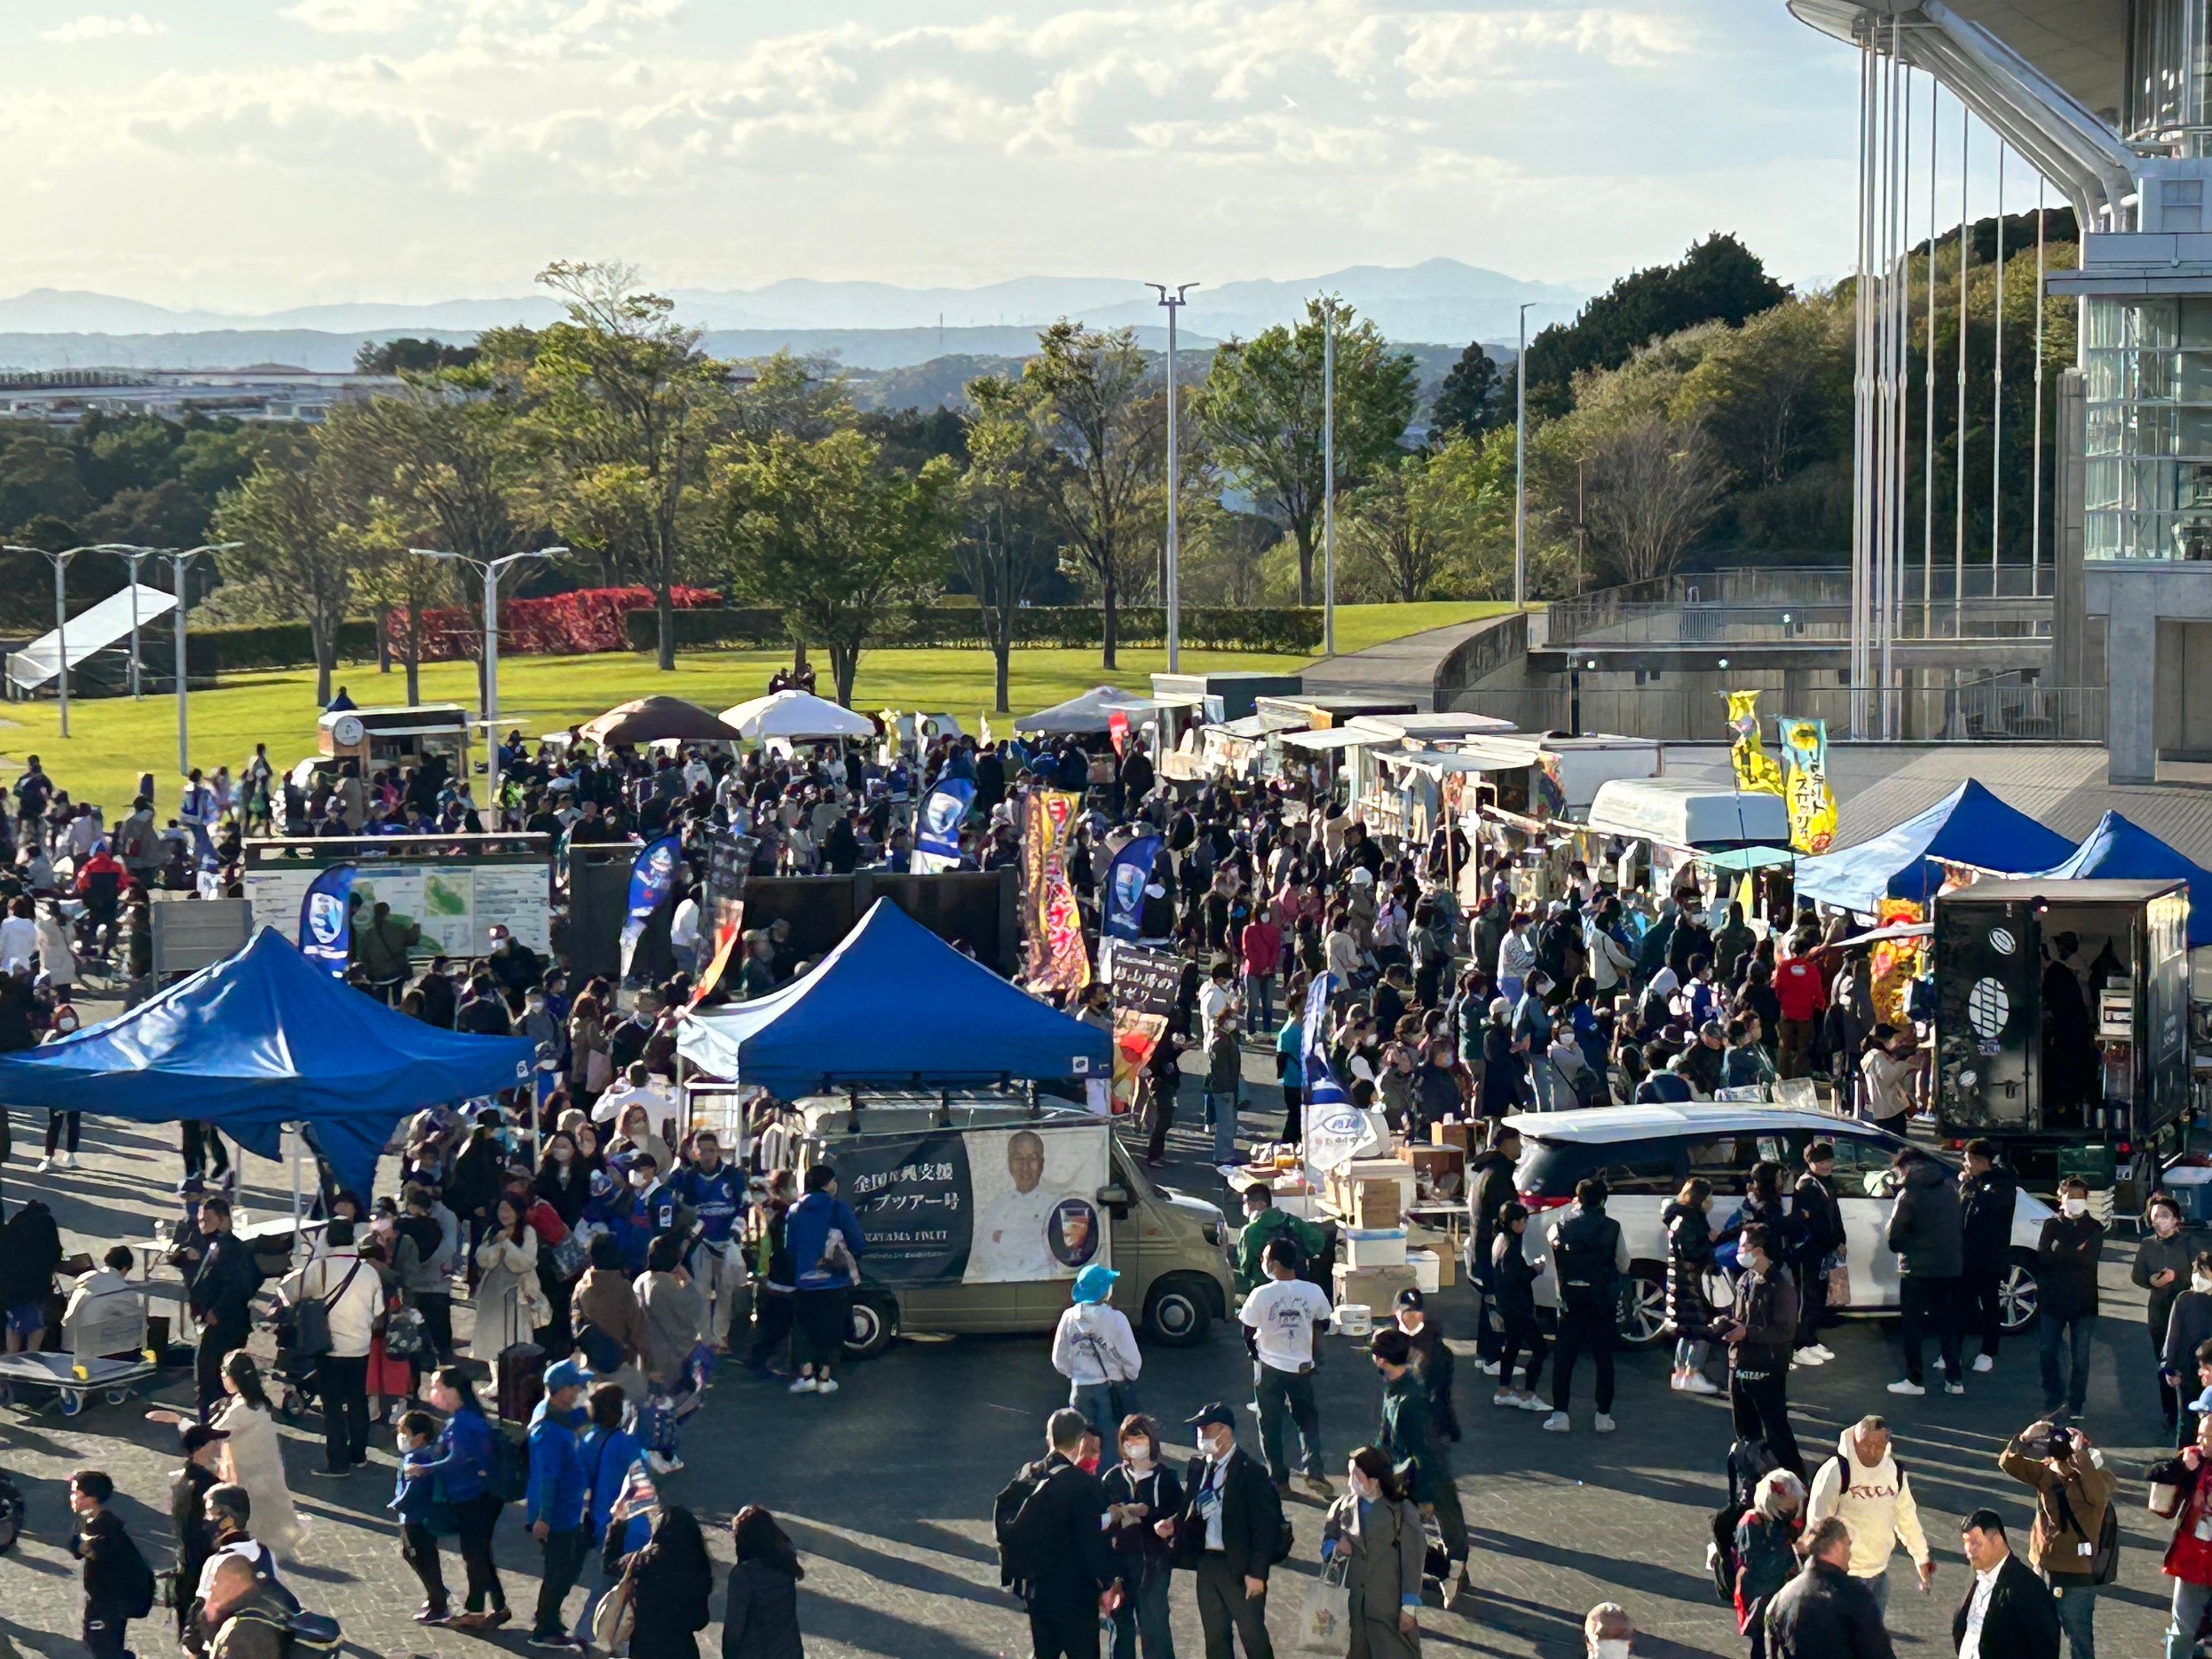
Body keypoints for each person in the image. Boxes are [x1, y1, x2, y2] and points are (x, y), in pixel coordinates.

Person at [1160, 1403, 1280, 1659]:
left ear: (1225, 1432)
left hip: (1240, 1567)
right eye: (1199, 1430)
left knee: (1253, 1636)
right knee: (1215, 1639)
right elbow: (1190, 1507)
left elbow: (1266, 1528)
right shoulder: (1200, 1468)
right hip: (1207, 1563)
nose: (1201, 1435)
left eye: (1206, 1430)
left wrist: (1257, 1573)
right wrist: (1174, 1524)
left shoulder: (1251, 1471)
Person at [1005, 1407, 1120, 1659]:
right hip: (1076, 1592)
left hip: (1037, 1590)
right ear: (1080, 1441)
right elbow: (1092, 1541)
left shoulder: (1029, 1474)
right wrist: (1108, 1583)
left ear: (1049, 1438)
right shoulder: (1083, 1484)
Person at [1998, 1421, 2114, 1658]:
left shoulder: (2094, 1479)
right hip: (2054, 1569)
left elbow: (2096, 1496)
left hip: (2069, 1572)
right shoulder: (2050, 1475)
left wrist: (2078, 1456)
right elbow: (2008, 1463)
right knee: (2055, 1637)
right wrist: (2028, 1438)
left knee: (2069, 1638)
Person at [1371, 1326, 1468, 1605]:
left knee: (1407, 1535)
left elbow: (1424, 1453)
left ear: (1381, 1359)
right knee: (1411, 1532)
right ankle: (1451, 1573)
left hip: (1422, 1476)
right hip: (1411, 1473)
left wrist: (1425, 1498)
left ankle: (1449, 1572)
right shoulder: (1397, 1388)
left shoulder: (1409, 1400)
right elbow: (1387, 1433)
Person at [1804, 1416, 1933, 1620]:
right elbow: (1818, 1525)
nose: (1872, 1452)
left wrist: (1921, 1557)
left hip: (1878, 1577)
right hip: (1842, 1579)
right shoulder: (1836, 1471)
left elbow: (1907, 1518)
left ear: (1887, 1444)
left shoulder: (1894, 1473)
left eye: (1878, 1446)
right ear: (1855, 1441)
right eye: (1865, 1445)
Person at [281, 1217, 382, 1478]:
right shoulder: (368, 1271)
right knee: (358, 1402)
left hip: (329, 1348)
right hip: (360, 1348)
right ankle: (358, 1455)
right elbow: (379, 1311)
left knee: (333, 1408)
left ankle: (338, 1463)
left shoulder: (321, 1268)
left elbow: (291, 1293)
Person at [1237, 1235, 1332, 1497]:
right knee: (1307, 1419)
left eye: (1266, 1258)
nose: (1263, 1262)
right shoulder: (1313, 1291)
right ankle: (1314, 1471)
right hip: (1302, 1368)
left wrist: (1255, 1353)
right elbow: (1324, 1322)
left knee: (1270, 1426)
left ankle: (1279, 1481)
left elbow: (1247, 1330)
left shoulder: (1261, 1294)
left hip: (1269, 1368)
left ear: (1275, 1264)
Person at [422, 1367, 508, 1630]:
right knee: (479, 1552)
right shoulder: (467, 1417)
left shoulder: (462, 1422)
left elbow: (457, 1459)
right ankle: (496, 1606)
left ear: (452, 1391)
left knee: (474, 1554)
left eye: (437, 1387)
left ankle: (478, 1610)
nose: (433, 1392)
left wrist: (424, 1468)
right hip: (480, 1494)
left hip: (473, 1497)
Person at [1319, 1446, 1423, 1659]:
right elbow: (1327, 1542)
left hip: (1388, 1605)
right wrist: (1336, 1548)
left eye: (1356, 1476)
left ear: (1374, 1480)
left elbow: (1413, 1559)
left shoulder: (1401, 1511)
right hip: (1353, 1605)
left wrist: (1409, 1605)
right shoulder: (1343, 1506)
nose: (1351, 1482)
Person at [1717, 1226, 1803, 1478]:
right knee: (1745, 1431)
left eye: (1743, 1246)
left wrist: (1747, 1333)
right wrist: (1728, 1326)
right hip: (1740, 1364)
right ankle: (1751, 1479)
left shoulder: (1781, 1285)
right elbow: (1740, 1317)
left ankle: (1795, 1480)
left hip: (1768, 1366)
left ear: (1759, 1251)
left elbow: (1785, 1331)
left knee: (1776, 1428)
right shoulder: (1745, 1280)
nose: (1739, 1251)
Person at [1544, 1176, 1626, 1434]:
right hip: (1601, 1299)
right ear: (1603, 1200)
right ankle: (1603, 1416)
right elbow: (1624, 1264)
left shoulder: (1560, 1225)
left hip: (1571, 1298)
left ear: (1577, 1198)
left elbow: (1553, 1248)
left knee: (1564, 1357)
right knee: (1604, 1357)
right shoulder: (1613, 1227)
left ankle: (1560, 1415)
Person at [525, 1358, 593, 1652]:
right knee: (560, 1572)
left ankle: (548, 1615)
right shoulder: (547, 1432)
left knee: (565, 1568)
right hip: (558, 1515)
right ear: (562, 1390)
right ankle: (545, 1629)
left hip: (568, 1509)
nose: (579, 1390)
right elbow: (547, 1477)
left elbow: (575, 1418)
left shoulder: (554, 1413)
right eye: (575, 1386)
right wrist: (543, 1517)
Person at [1884, 1147, 1964, 1398]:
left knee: (1913, 1326)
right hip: (1949, 1267)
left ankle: (1915, 1379)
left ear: (1906, 1168)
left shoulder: (1909, 1195)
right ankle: (1955, 1379)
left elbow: (1895, 1238)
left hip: (1916, 1270)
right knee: (1948, 1324)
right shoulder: (1950, 1188)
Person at [209, 1353, 305, 1560]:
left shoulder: (241, 1408)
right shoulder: (256, 1400)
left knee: (250, 1509)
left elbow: (213, 1433)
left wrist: (181, 1423)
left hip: (248, 1468)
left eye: (225, 1374)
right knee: (265, 1507)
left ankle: (251, 1548)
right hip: (263, 1464)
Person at [1101, 1415, 1180, 1659]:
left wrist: (1151, 1515)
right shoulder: (1112, 1478)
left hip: (1153, 1565)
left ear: (1151, 1441)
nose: (1133, 1444)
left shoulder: (1166, 1478)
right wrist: (1117, 1516)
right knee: (1121, 1629)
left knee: (1155, 1628)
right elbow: (1101, 1523)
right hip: (1119, 1566)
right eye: (1128, 1439)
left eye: (1139, 1438)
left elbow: (1179, 1515)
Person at [783, 1161, 864, 1397]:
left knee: (805, 1330)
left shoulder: (795, 1212)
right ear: (829, 1185)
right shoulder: (838, 1209)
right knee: (831, 1330)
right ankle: (825, 1379)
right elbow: (857, 1242)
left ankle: (807, 1376)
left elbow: (789, 1248)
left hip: (805, 1283)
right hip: (834, 1282)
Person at [1762, 1516, 1894, 1658]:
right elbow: (1878, 1653)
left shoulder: (1780, 1599)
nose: (1850, 1553)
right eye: (1848, 1545)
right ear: (1837, 1546)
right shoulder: (1855, 1597)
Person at [182, 1197, 261, 1422]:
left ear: (224, 1220)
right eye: (201, 1219)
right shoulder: (213, 1244)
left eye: (208, 1219)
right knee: (212, 1375)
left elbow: (241, 1285)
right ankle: (216, 1420)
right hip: (214, 1319)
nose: (203, 1224)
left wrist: (217, 1311)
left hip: (225, 1322)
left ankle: (211, 1423)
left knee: (212, 1376)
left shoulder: (234, 1249)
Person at [2037, 1177, 2104, 1422]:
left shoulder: (2095, 1227)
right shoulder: (2051, 1225)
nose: (2075, 1201)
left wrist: (2060, 1251)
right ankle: (2054, 1398)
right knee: (2047, 1351)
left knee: (2081, 1357)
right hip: (2053, 1299)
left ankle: (2076, 1403)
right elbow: (2044, 1256)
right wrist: (2074, 1251)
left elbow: (2089, 1259)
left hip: (2083, 1302)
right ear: (2061, 1198)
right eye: (2071, 1196)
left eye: (2080, 1196)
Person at [1955, 1508, 2061, 1659]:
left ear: (1997, 1541)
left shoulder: (2026, 1586)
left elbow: (2045, 1645)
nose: (1969, 1550)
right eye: (1966, 1542)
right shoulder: (1979, 1577)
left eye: (1976, 1542)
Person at [1054, 1263, 1143, 1441]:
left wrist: (1074, 1374)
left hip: (1080, 1388)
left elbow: (1059, 1358)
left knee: (1081, 1441)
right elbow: (1132, 1359)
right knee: (1110, 1440)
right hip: (1110, 1388)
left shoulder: (1069, 1317)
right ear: (1104, 1291)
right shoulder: (1116, 1319)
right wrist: (1129, 1375)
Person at [70, 1469, 150, 1659]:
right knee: (99, 1644)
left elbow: (86, 1550)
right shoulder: (91, 1522)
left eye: (75, 1493)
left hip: (110, 1601)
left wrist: (82, 1546)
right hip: (105, 1598)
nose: (71, 1498)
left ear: (89, 1499)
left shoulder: (104, 1532)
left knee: (103, 1648)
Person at [1464, 1122, 1521, 1371]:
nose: (1521, 1148)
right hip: (1494, 1249)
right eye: (1518, 1143)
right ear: (1507, 1143)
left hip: (1483, 1246)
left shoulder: (1486, 1172)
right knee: (1497, 1302)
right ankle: (1494, 1358)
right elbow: (1506, 1215)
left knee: (1489, 1301)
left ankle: (1486, 1353)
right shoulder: (1499, 1176)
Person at [1959, 1141, 2020, 1376]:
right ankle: (1952, 1352)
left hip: (1989, 1257)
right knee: (1960, 1304)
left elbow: (1989, 1207)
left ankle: (1988, 1352)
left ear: (1980, 1161)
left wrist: (1972, 1184)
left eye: (1969, 1160)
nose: (1966, 1165)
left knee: (1989, 1305)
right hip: (1967, 1255)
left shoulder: (2001, 1184)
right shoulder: (1972, 1183)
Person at [2141, 1194, 2198, 1440]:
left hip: (2188, 1314)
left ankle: (2193, 1415)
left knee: (2191, 1365)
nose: (2160, 1221)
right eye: (2155, 1217)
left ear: (2176, 1219)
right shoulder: (2148, 1245)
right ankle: (2170, 1415)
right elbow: (2138, 1275)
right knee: (2165, 1367)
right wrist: (2152, 1281)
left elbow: (2203, 1273)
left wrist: (2178, 1278)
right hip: (2160, 1315)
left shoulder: (2189, 1243)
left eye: (2165, 1216)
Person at [1733, 1470, 1806, 1657]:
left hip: (1779, 1590)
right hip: (1758, 1594)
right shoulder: (1751, 1523)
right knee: (1762, 1644)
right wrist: (1791, 1552)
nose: (1793, 1513)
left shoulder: (1781, 1521)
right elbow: (1756, 1566)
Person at [627, 1506, 715, 1659]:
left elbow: (610, 1564)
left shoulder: (644, 1562)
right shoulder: (698, 1568)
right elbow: (700, 1620)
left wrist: (617, 1525)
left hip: (646, 1649)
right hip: (682, 1650)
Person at [722, 1506, 804, 1659]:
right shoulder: (785, 1565)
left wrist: (729, 1654)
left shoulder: (744, 1576)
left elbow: (735, 1626)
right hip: (790, 1652)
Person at [393, 1410, 451, 1624]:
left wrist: (397, 1503)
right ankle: (437, 1592)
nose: (402, 1437)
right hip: (423, 1516)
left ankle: (438, 1603)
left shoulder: (417, 1459)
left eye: (405, 1433)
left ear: (419, 1436)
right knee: (420, 1555)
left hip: (415, 1517)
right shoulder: (426, 1454)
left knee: (420, 1557)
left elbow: (412, 1490)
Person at [171, 1425, 227, 1643]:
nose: (219, 1446)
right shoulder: (208, 1487)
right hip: (202, 1564)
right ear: (198, 1449)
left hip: (188, 1560)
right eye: (213, 1442)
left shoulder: (186, 1479)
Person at [1490, 1202, 1548, 1411]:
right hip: (1518, 1306)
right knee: (1540, 1349)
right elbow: (1514, 1278)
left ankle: (1503, 1390)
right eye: (1523, 1221)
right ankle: (1529, 1394)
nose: (1525, 1225)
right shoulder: (1511, 1246)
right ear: (1514, 1223)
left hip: (1507, 1304)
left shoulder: (1501, 1240)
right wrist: (1534, 1270)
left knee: (1513, 1345)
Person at [1665, 1178, 1720, 1395]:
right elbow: (1693, 1252)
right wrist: (1710, 1240)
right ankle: (1693, 1373)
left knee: (1686, 1331)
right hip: (1693, 1283)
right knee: (1702, 1330)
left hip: (1680, 1282)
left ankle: (1680, 1374)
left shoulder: (1677, 1216)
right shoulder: (1692, 1220)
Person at [1791, 1143, 1843, 1362]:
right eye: (1820, 1162)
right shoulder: (1807, 1186)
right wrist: (1832, 1241)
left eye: (1829, 1160)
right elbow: (1814, 1223)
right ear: (1810, 1163)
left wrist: (1840, 1239)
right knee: (1808, 1297)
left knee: (1819, 1295)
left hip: (1824, 1250)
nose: (1826, 1165)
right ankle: (1800, 1344)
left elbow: (1834, 1214)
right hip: (1809, 1252)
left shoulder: (1827, 1183)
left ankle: (1811, 1339)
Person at [1233, 1185, 1325, 1301]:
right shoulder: (1293, 1221)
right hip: (1299, 1287)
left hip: (1265, 1291)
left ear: (1261, 1204)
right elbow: (1318, 1243)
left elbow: (1245, 1267)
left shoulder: (1251, 1230)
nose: (1247, 1207)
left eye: (1247, 1203)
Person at [1392, 1287, 1459, 1447]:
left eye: (1415, 1312)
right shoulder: (1393, 1341)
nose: (1411, 1317)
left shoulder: (1433, 1351)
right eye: (1406, 1312)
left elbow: (1435, 1394)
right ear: (1397, 1313)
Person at [200, 1553, 297, 1659]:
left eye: (217, 1582)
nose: (212, 1589)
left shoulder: (243, 1630)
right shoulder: (266, 1599)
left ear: (234, 1583)